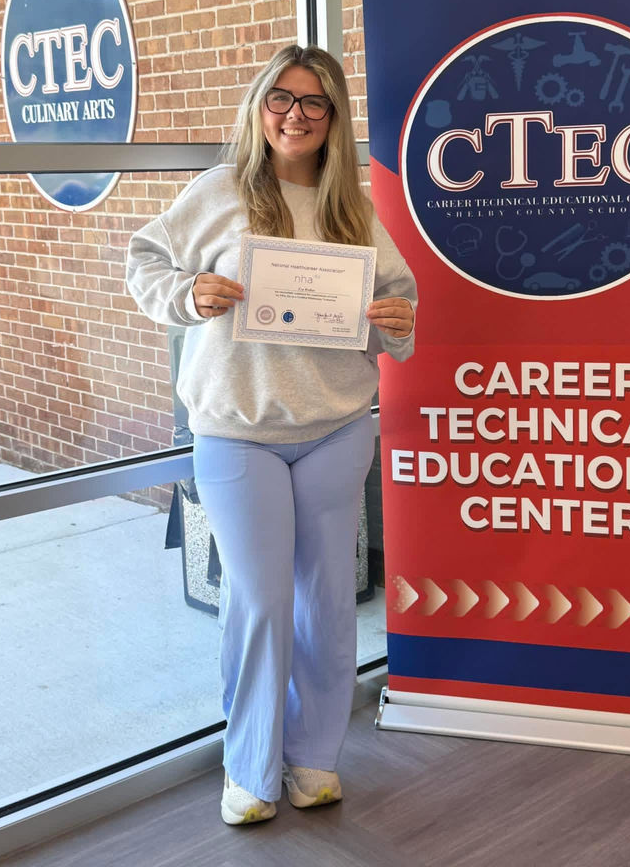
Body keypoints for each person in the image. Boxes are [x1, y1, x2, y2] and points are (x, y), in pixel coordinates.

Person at [126, 44, 416, 826]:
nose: (296, 114)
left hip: (336, 428)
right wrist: (189, 293)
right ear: (261, 108)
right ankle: (250, 768)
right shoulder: (220, 192)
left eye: (314, 102)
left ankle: (314, 759)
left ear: (334, 118)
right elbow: (143, 258)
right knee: (258, 601)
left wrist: (394, 322)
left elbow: (397, 302)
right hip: (236, 433)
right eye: (281, 99)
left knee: (324, 603)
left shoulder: (352, 208)